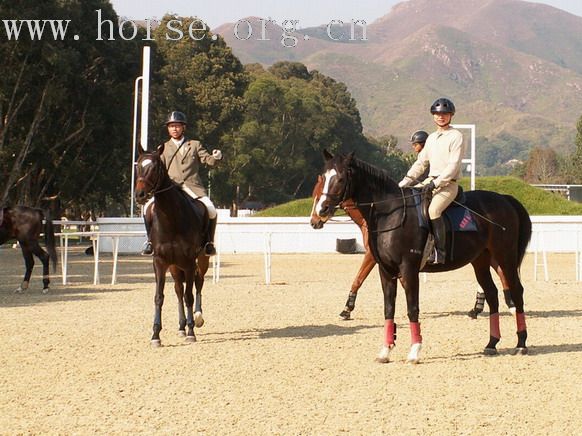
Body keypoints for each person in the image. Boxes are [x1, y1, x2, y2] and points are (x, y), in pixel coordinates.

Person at [142, 111, 222, 256]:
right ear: (168, 128)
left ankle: (209, 243)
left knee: (211, 210)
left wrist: (216, 157)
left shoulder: (195, 145)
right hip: (171, 188)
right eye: (171, 126)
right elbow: (159, 169)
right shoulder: (163, 148)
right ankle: (150, 242)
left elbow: (208, 161)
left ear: (183, 127)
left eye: (177, 126)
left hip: (192, 187)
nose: (174, 129)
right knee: (146, 209)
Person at [398, 98, 464, 264]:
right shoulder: (432, 138)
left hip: (448, 184)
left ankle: (439, 252)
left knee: (433, 211)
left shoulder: (456, 136)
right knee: (408, 203)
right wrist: (404, 182)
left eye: (444, 114)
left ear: (451, 115)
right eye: (437, 114)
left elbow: (453, 165)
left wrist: (436, 183)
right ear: (433, 116)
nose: (441, 117)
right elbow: (421, 163)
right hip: (429, 181)